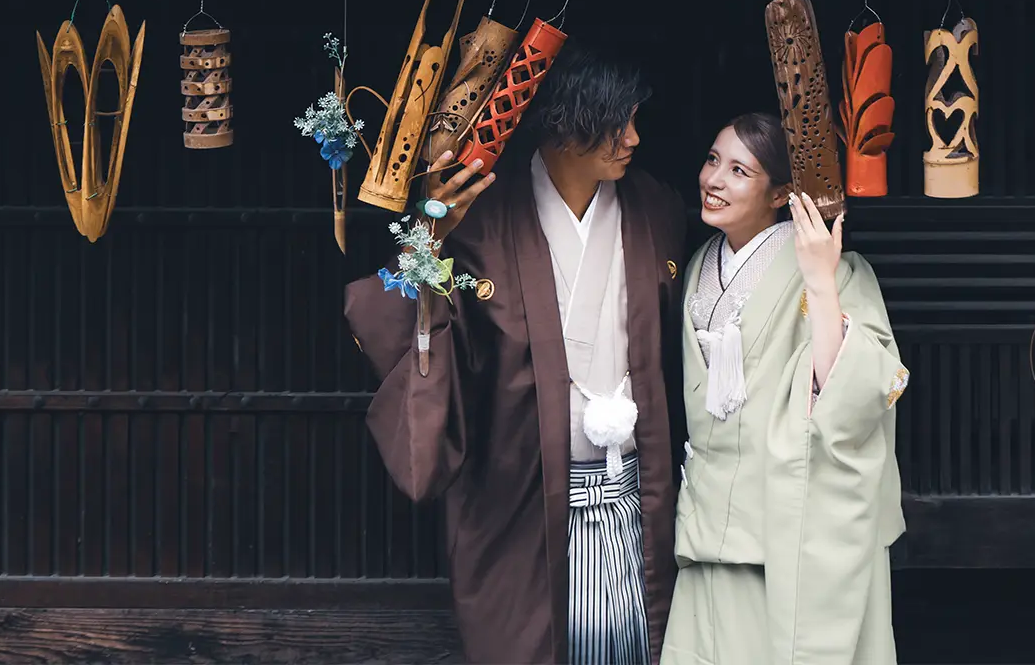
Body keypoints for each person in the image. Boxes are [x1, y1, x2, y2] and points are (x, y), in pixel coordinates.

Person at [345, 41, 688, 665]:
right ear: (565, 122)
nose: (634, 138)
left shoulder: (656, 209)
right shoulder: (479, 219)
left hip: (635, 494)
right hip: (521, 496)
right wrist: (429, 237)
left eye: (635, 119)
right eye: (617, 122)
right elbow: (399, 319)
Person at [662, 113, 907, 665]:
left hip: (789, 527)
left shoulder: (839, 273)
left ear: (780, 195)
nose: (714, 179)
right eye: (713, 160)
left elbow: (856, 392)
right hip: (710, 523)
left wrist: (819, 279)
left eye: (739, 170)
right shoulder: (698, 264)